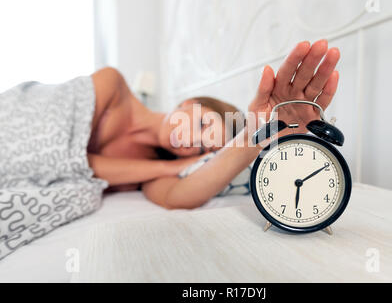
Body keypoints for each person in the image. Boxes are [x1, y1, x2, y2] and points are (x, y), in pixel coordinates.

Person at [87, 39, 340, 209]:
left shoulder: (153, 171)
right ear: (189, 102)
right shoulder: (113, 86)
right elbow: (75, 164)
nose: (190, 141)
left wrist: (257, 135)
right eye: (202, 124)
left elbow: (177, 197)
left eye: (200, 150)